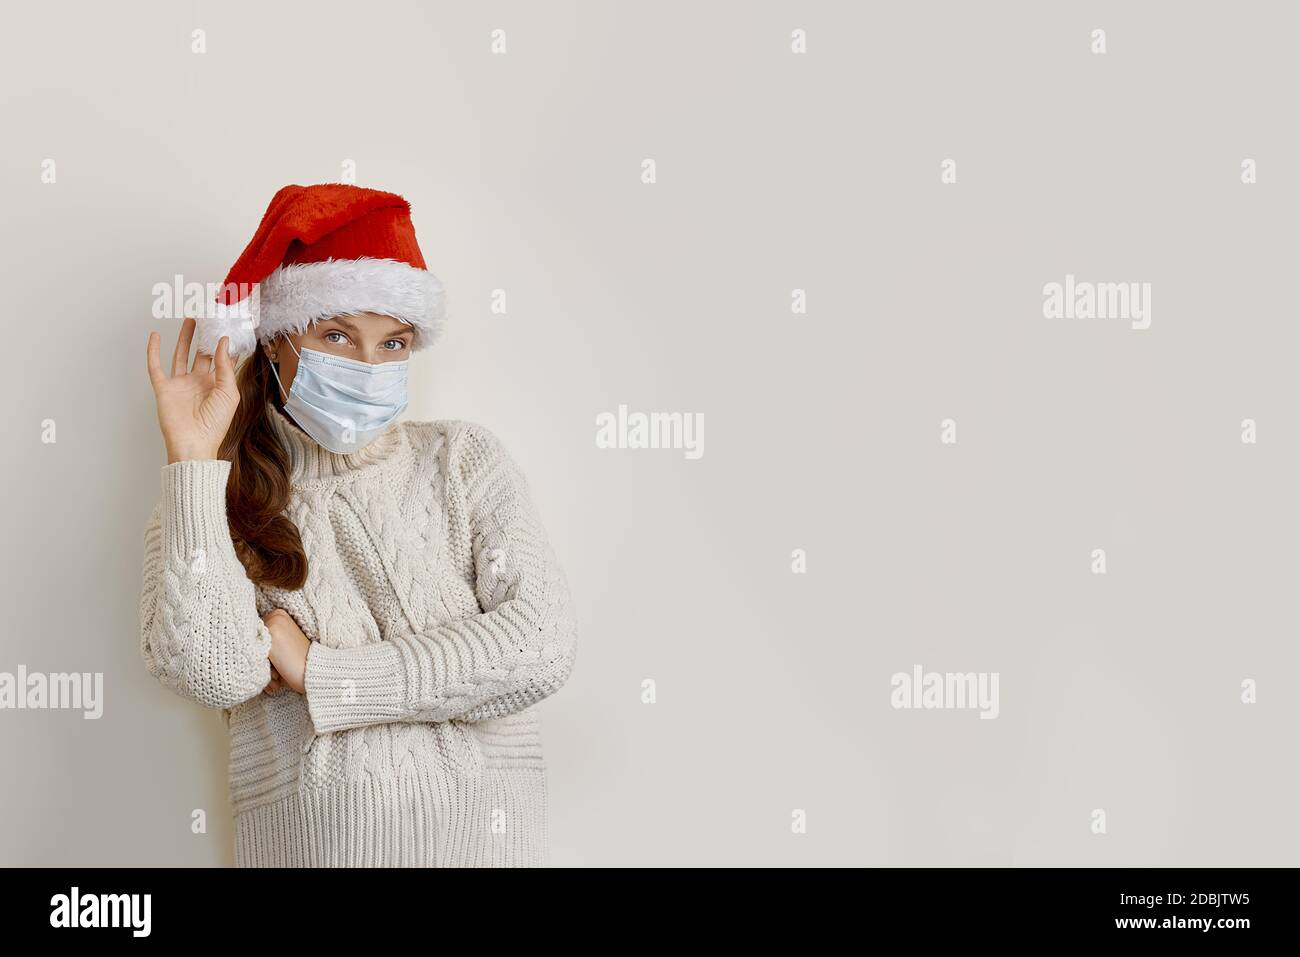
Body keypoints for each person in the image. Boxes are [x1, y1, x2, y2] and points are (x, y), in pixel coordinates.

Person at [138, 183, 577, 867]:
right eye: (337, 335)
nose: (369, 367)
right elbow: (215, 672)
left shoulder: (462, 459)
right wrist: (194, 460)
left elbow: (540, 642)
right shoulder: (210, 501)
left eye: (393, 342)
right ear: (277, 340)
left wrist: (324, 673)